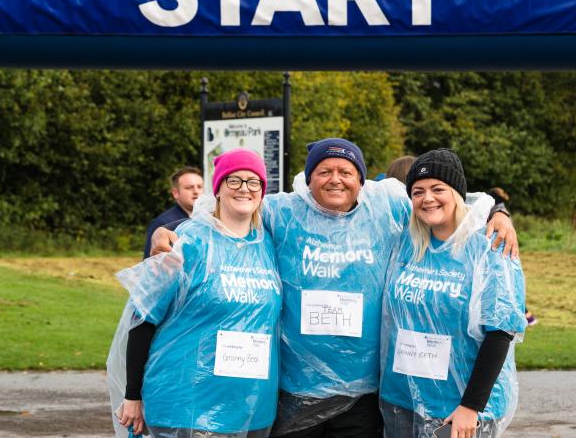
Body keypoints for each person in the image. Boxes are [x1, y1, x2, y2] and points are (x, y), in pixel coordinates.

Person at [152, 138, 519, 438]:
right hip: (298, 390)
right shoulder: (284, 212)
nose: (335, 178)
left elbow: (452, 199)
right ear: (308, 179)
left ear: (362, 180)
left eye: (346, 171)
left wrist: (499, 212)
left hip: (366, 396)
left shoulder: (389, 212)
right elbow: (224, 207)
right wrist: (166, 231)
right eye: (324, 171)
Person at [108, 149, 282, 438]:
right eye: (234, 180)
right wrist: (133, 395)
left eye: (253, 182)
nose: (244, 188)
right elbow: (143, 322)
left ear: (262, 191)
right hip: (185, 406)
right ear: (218, 189)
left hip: (251, 408)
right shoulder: (186, 242)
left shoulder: (269, 247)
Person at [380, 149, 526, 438]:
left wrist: (470, 407)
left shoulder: (490, 247)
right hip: (402, 398)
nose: (427, 198)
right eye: (418, 191)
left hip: (459, 407)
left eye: (438, 189)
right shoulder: (406, 242)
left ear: (458, 193)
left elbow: (500, 332)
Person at [487, 187, 537, 327]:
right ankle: (528, 317)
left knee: (508, 289)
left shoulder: (499, 213)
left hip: (502, 255)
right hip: (505, 254)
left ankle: (527, 317)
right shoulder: (499, 211)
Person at [142, 167, 203, 259]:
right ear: (175, 193)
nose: (196, 191)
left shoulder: (206, 221)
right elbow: (150, 263)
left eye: (199, 187)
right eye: (189, 187)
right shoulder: (162, 223)